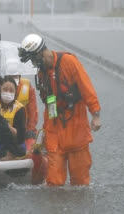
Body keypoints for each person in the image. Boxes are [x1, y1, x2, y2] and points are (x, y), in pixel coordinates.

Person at [18, 33, 101, 186]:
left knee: (80, 182)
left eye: (34, 60)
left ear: (42, 52)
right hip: (55, 132)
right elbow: (49, 105)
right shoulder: (42, 74)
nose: (35, 64)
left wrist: (95, 115)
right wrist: (45, 132)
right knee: (54, 183)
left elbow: (86, 88)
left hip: (76, 130)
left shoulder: (69, 62)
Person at [5, 58, 39, 154]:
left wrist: (30, 129)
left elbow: (33, 112)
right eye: (11, 75)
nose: (13, 77)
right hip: (7, 129)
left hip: (24, 129)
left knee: (29, 151)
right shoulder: (1, 87)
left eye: (15, 75)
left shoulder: (27, 88)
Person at [0, 76, 26, 161]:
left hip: (13, 143)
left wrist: (8, 127)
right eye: (5, 89)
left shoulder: (19, 109)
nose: (8, 93)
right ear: (0, 89)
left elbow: (21, 137)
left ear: (15, 93)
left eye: (11, 91)